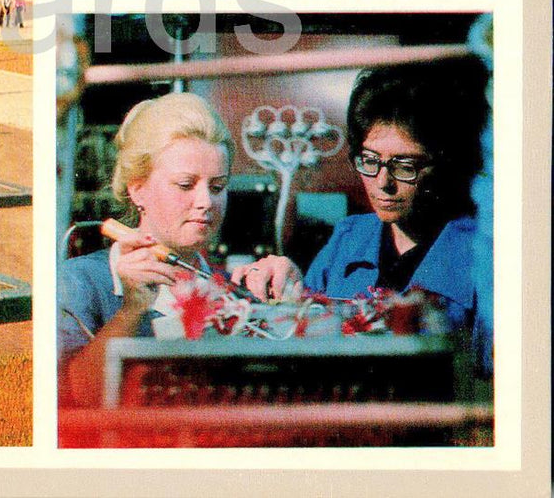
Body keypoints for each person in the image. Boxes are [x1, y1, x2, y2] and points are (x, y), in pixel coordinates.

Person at [233, 62, 489, 371]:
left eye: (405, 165)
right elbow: (306, 347)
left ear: (443, 163)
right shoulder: (348, 238)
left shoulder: (480, 253)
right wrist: (293, 294)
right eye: (369, 161)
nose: (383, 183)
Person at [58, 93, 268, 368]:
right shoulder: (79, 283)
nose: (206, 202)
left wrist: (287, 302)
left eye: (217, 187)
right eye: (185, 184)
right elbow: (73, 397)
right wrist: (131, 311)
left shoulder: (234, 291)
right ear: (137, 189)